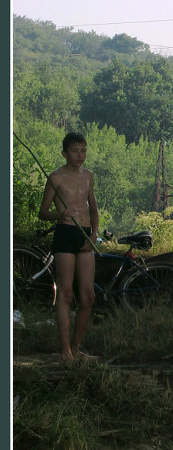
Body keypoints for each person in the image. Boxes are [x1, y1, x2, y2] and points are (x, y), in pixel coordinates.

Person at [38, 132, 99, 363]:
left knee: (88, 296)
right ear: (64, 153)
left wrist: (94, 234)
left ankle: (76, 348)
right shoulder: (56, 177)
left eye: (83, 150)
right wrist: (59, 214)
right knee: (65, 293)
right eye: (75, 151)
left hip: (84, 235)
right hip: (64, 234)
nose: (80, 155)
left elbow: (93, 207)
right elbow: (42, 212)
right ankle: (65, 352)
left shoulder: (88, 176)